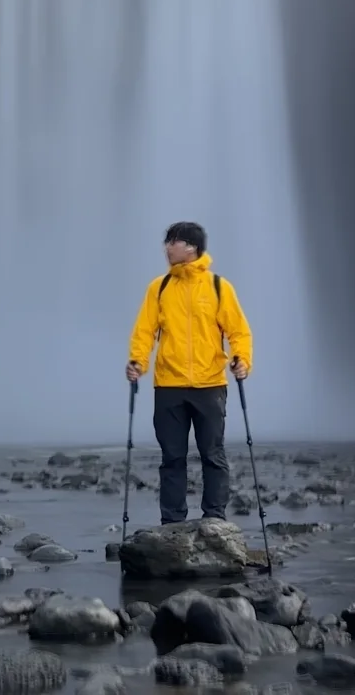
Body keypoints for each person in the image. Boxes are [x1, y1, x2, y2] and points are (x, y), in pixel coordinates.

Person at [126, 221, 253, 524]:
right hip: (169, 385)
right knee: (172, 457)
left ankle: (214, 519)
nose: (167, 248)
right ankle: (172, 523)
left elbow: (238, 331)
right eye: (167, 242)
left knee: (213, 454)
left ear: (192, 247)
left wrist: (242, 360)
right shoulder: (159, 288)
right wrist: (137, 363)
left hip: (210, 384)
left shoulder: (218, 287)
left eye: (174, 242)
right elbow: (144, 332)